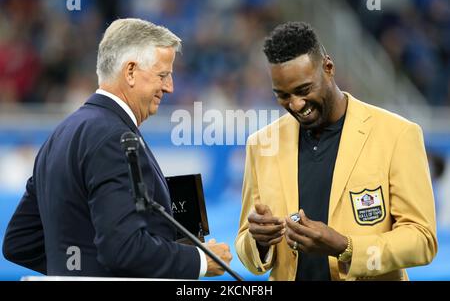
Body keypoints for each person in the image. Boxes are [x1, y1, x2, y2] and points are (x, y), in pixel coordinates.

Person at [2, 18, 232, 279]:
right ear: (131, 71)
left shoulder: (61, 133)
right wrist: (199, 260)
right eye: (163, 75)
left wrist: (77, 269)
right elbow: (121, 249)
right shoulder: (114, 137)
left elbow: (19, 243)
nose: (170, 87)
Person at [235, 21, 437, 281]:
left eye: (304, 90)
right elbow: (246, 246)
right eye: (282, 95)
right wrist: (258, 241)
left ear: (328, 68)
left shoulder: (397, 134)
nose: (296, 104)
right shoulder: (261, 144)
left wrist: (346, 247)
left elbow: (422, 239)